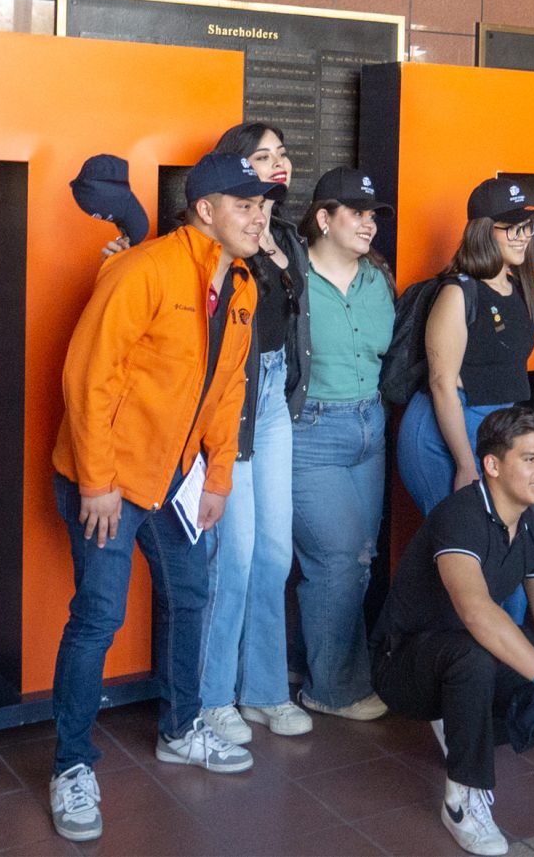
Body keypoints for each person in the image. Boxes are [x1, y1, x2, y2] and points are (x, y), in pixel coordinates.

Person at [48, 152, 282, 841]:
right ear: (204, 209)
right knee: (98, 614)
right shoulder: (143, 269)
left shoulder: (241, 285)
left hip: (173, 482)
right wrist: (96, 481)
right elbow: (89, 378)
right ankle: (70, 765)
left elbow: (228, 387)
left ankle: (181, 727)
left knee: (191, 596)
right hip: (110, 478)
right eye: (244, 205)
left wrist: (215, 479)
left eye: (262, 205)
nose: (258, 215)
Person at [372, 407, 534, 856]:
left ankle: (466, 723)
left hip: (470, 657)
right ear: (492, 465)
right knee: (477, 657)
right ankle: (463, 797)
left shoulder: (532, 531)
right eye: (530, 459)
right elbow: (477, 613)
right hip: (404, 663)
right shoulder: (461, 514)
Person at [193, 123, 312, 745]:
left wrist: (271, 247)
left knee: (274, 552)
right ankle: (211, 698)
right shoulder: (213, 226)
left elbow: (293, 316)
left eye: (282, 155)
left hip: (271, 395)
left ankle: (263, 690)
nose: (277, 165)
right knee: (231, 557)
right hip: (228, 403)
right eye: (261, 157)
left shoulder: (281, 232)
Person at [291, 166, 396, 721]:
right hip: (312, 431)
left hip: (369, 427)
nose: (369, 224)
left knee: (360, 556)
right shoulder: (290, 275)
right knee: (336, 557)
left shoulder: (378, 280)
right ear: (324, 218)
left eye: (374, 215)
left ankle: (321, 666)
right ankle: (331, 688)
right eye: (356, 213)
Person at [397, 177, 534, 514]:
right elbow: (442, 384)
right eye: (511, 228)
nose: (523, 237)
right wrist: (466, 464)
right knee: (457, 545)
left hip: (493, 430)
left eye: (527, 227)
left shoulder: (518, 287)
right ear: (483, 231)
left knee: (488, 545)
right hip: (444, 434)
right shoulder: (458, 293)